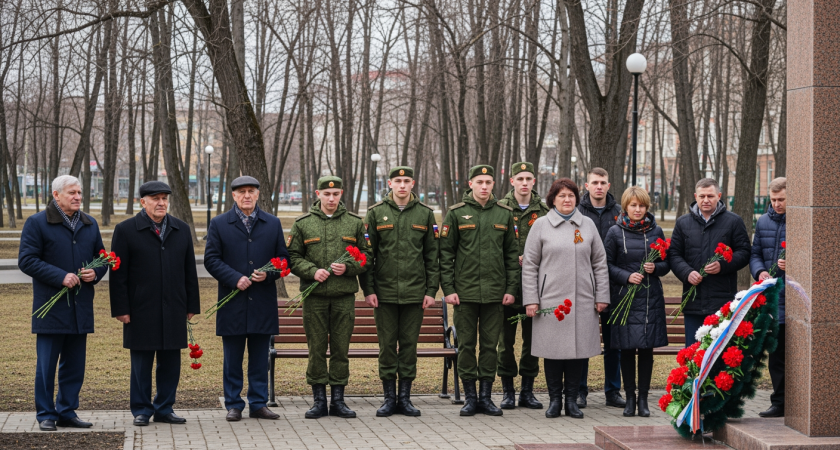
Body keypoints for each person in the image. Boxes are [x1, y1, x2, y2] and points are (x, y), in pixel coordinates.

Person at [19, 176, 108, 432]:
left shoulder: (89, 224)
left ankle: (67, 411)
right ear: (56, 195)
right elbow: (27, 260)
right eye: (72, 192)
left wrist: (96, 273)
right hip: (51, 308)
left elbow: (101, 258)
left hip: (80, 308)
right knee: (46, 366)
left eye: (80, 192)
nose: (78, 197)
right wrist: (60, 276)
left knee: (74, 365)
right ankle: (46, 413)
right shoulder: (37, 223)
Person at [109, 181, 201, 426]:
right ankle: (141, 409)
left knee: (170, 361)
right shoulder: (126, 230)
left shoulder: (180, 229)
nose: (161, 203)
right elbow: (118, 275)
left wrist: (191, 304)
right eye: (155, 198)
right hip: (140, 309)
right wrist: (121, 309)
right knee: (141, 363)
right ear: (143, 202)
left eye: (164, 198)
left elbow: (189, 270)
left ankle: (164, 407)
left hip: (174, 306)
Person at [522, 178, 610, 419]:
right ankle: (554, 401)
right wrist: (531, 299)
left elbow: (600, 263)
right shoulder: (540, 225)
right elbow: (530, 265)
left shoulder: (588, 225)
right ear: (552, 199)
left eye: (571, 195)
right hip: (550, 300)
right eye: (561, 196)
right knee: (552, 352)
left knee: (577, 352)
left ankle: (572, 401)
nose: (567, 199)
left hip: (582, 300)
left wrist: (601, 295)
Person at [204, 176, 290, 421]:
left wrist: (269, 273)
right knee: (232, 358)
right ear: (233, 195)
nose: (247, 196)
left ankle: (258, 403)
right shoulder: (220, 224)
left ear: (258, 194)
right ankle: (233, 404)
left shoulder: (272, 224)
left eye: (251, 191)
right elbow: (211, 259)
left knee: (260, 358)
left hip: (262, 302)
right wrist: (234, 278)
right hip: (233, 302)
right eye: (241, 192)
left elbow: (284, 260)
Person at [440, 165, 518, 417]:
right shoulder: (456, 214)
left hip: (495, 293)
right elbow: (445, 255)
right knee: (466, 345)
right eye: (479, 181)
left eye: (488, 182)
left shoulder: (504, 214)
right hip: (464, 294)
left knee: (489, 346)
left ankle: (486, 397)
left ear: (494, 184)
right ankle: (470, 397)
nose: (484, 186)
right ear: (470, 183)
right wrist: (449, 289)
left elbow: (511, 255)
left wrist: (510, 289)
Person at [287, 176, 368, 419]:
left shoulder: (354, 223)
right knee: (317, 348)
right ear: (317, 194)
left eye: (335, 194)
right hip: (315, 299)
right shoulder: (303, 223)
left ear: (341, 194)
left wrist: (350, 267)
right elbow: (292, 256)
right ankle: (319, 401)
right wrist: (313, 271)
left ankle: (339, 401)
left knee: (341, 349)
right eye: (326, 194)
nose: (331, 199)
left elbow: (367, 255)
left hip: (343, 297)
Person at [362, 166, 439, 417]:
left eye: (407, 181)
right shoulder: (376, 213)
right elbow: (367, 255)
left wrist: (431, 290)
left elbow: (432, 256)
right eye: (398, 181)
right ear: (390, 184)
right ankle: (388, 399)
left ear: (413, 183)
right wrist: (369, 290)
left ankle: (404, 399)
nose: (402, 185)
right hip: (383, 294)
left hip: (415, 293)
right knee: (386, 346)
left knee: (408, 346)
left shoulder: (425, 214)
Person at [603, 187, 670, 418]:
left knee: (646, 350)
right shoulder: (614, 232)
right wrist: (626, 276)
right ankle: (629, 398)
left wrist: (656, 267)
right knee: (627, 350)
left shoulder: (656, 231)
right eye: (633, 205)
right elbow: (606, 264)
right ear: (625, 207)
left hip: (650, 298)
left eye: (641, 206)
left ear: (646, 207)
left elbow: (666, 262)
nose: (638, 209)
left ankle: (643, 399)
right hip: (624, 298)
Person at [668, 178, 751, 346]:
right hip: (693, 300)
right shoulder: (683, 223)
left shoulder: (733, 221)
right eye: (702, 196)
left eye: (711, 196)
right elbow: (674, 255)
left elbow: (744, 252)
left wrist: (723, 265)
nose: (706, 200)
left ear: (719, 196)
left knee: (720, 353)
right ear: (695, 196)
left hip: (722, 302)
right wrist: (686, 272)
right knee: (693, 353)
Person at [496, 162, 548, 410]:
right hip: (506, 287)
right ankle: (507, 390)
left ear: (534, 182)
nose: (525, 183)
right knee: (505, 343)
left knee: (533, 341)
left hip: (534, 288)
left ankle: (527, 391)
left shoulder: (546, 211)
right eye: (520, 178)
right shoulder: (499, 208)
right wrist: (513, 256)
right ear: (512, 181)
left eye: (529, 178)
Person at [576, 168, 624, 409]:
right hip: (583, 287)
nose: (598, 186)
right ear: (586, 185)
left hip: (613, 287)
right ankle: (579, 391)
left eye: (603, 182)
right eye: (594, 182)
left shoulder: (619, 213)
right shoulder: (576, 212)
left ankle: (613, 391)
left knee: (613, 342)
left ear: (608, 184)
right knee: (583, 340)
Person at [750, 177, 786, 418]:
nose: (776, 204)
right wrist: (759, 270)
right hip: (773, 299)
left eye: (781, 199)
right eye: (773, 200)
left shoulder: (803, 219)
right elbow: (755, 254)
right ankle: (780, 402)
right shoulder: (763, 221)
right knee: (777, 355)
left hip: (796, 297)